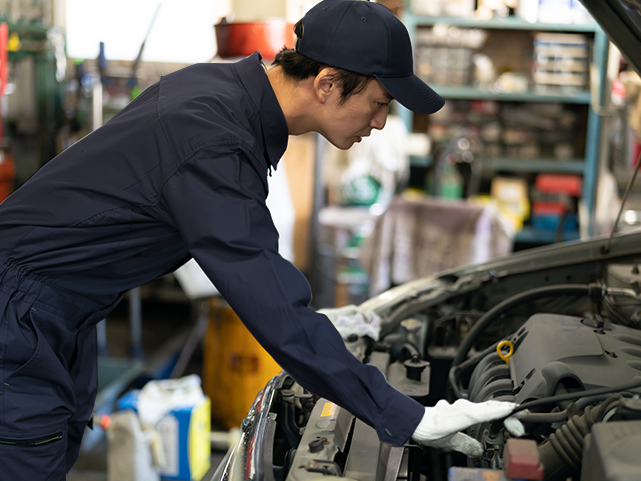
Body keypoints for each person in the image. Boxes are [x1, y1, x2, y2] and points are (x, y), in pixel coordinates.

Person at [0, 0, 515, 478]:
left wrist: (317, 325)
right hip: (19, 315)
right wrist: (406, 416)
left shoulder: (220, 93)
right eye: (379, 103)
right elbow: (267, 297)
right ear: (327, 83)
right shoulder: (215, 138)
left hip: (58, 308)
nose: (381, 122)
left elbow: (254, 267)